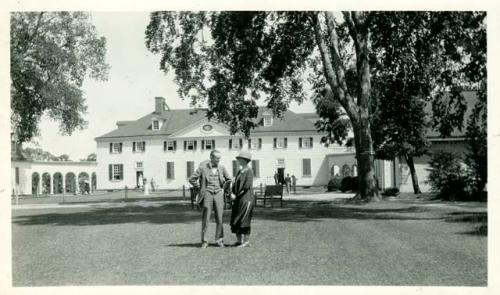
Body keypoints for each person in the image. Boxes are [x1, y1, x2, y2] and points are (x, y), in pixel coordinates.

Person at [189, 150, 231, 248]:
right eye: (217, 158)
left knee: (220, 218)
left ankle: (219, 240)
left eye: (220, 158)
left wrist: (223, 188)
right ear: (211, 157)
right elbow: (192, 179)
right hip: (207, 194)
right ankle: (204, 241)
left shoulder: (222, 167)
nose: (219, 160)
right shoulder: (203, 168)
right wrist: (200, 187)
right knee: (206, 218)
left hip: (219, 194)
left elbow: (229, 179)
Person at [230, 151, 255, 248]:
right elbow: (235, 184)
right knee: (235, 218)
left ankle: (246, 241)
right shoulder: (240, 171)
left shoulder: (249, 171)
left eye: (240, 159)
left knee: (244, 219)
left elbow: (246, 186)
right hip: (238, 199)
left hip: (246, 199)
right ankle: (239, 241)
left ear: (245, 160)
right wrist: (232, 192)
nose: (238, 160)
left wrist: (236, 195)